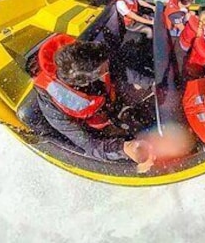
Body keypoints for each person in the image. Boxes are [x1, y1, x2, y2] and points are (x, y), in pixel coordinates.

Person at [18, 34, 155, 171]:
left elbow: (119, 68)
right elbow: (89, 145)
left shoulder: (90, 54)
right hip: (100, 126)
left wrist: (152, 84)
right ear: (85, 82)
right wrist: (124, 148)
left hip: (115, 101)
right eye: (104, 70)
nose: (108, 66)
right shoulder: (53, 106)